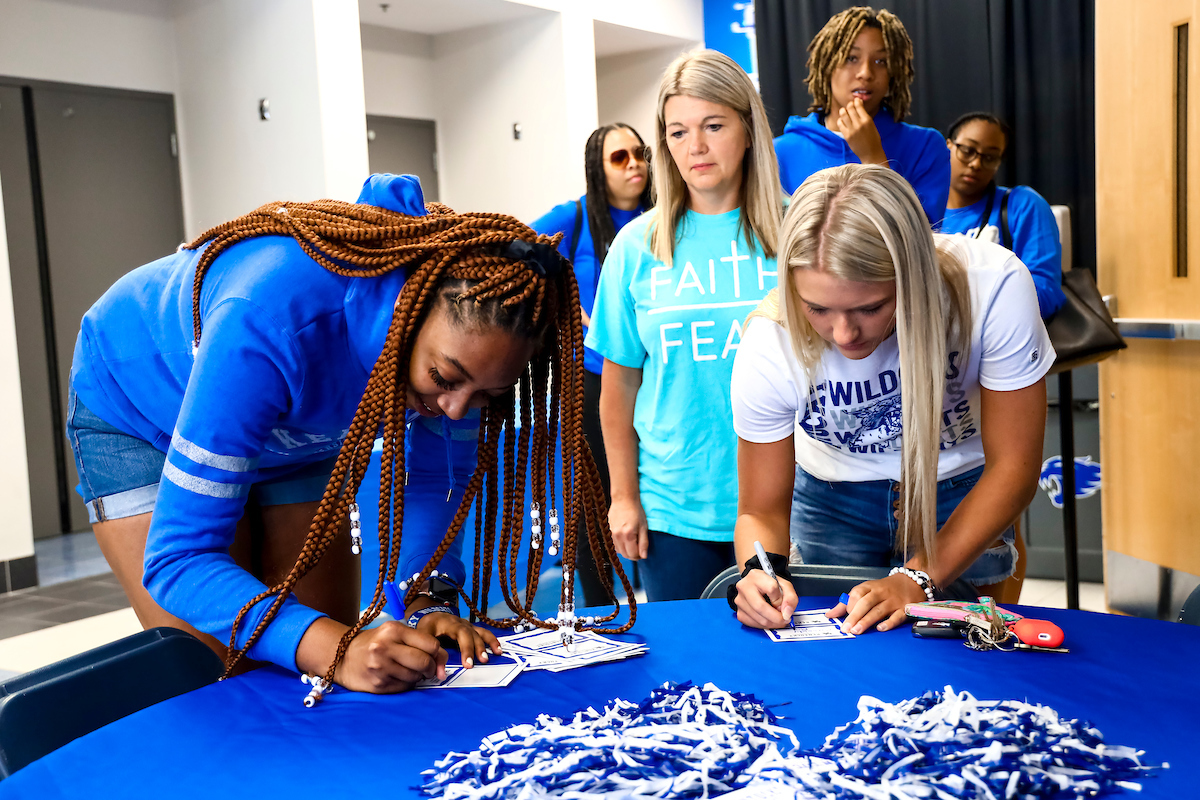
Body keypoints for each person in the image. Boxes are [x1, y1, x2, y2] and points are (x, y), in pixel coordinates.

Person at [67, 173, 630, 696]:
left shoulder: (466, 356)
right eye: (444, 379)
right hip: (139, 412)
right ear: (405, 317)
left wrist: (427, 597)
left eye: (484, 395)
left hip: (295, 429)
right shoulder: (269, 320)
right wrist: (333, 647)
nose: (457, 410)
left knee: (326, 667)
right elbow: (181, 560)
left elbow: (433, 477)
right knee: (223, 674)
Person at [729, 164, 1052, 634]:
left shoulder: (993, 286)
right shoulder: (768, 340)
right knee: (837, 659)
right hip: (832, 498)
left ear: (913, 278)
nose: (843, 334)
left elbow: (1016, 467)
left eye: (870, 307)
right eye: (817, 308)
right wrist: (760, 574)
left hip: (961, 490)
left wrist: (917, 579)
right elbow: (759, 510)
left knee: (970, 663)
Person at [587, 49, 782, 602]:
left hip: (790, 502)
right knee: (689, 683)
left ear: (748, 128)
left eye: (713, 126)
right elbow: (618, 389)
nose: (694, 147)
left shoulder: (797, 232)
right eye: (677, 132)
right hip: (674, 508)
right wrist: (623, 496)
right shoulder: (637, 246)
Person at [531, 123, 652, 607]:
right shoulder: (575, 217)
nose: (635, 164)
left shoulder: (664, 218)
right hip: (589, 377)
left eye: (640, 154)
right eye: (620, 157)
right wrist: (564, 305)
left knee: (652, 489)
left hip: (654, 376)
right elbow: (517, 255)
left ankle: (664, 597)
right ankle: (603, 605)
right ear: (597, 170)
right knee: (591, 496)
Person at [772, 6, 949, 228]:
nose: (865, 72)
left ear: (894, 73)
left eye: (880, 61)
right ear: (826, 65)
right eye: (851, 58)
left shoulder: (925, 147)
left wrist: (874, 157)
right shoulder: (780, 153)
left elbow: (923, 239)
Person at [941, 112, 1067, 318]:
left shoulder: (1023, 204)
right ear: (949, 146)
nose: (976, 164)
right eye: (967, 150)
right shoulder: (920, 211)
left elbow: (1046, 291)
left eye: (990, 157)